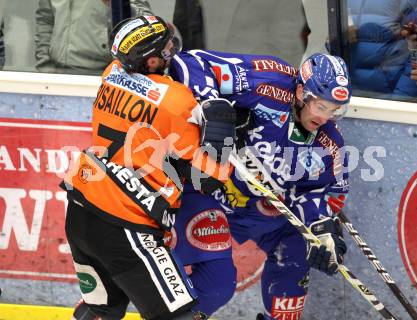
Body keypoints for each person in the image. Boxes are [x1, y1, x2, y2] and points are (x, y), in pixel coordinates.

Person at [60, 16, 236, 320]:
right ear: (153, 60)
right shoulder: (177, 99)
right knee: (178, 315)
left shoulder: (111, 72)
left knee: (102, 311)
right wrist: (221, 136)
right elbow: (208, 177)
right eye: (166, 46)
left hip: (80, 210)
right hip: (125, 224)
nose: (172, 47)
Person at [168, 51, 351, 319]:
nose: (325, 118)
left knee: (298, 246)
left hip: (259, 211)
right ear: (301, 92)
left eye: (335, 110)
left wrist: (322, 228)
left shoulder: (330, 143)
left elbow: (326, 195)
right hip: (208, 193)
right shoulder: (269, 82)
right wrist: (214, 108)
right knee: (217, 285)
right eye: (321, 107)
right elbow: (189, 62)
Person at [35, 0, 153, 74]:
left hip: (100, 75)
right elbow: (45, 19)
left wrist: (120, 4)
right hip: (54, 76)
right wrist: (45, 66)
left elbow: (145, 20)